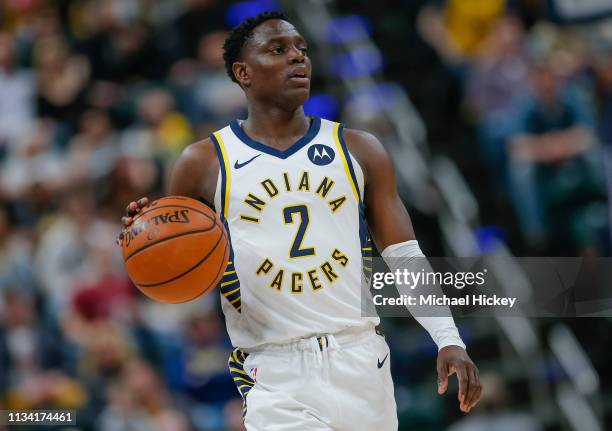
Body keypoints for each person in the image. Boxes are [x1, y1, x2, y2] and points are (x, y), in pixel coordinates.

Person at [120, 12, 481, 430]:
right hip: (274, 370)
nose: (298, 59)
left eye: (302, 50)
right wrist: (142, 236)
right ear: (243, 73)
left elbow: (405, 258)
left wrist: (448, 337)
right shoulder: (203, 162)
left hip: (362, 360)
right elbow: (172, 264)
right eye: (278, 50)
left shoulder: (359, 149)